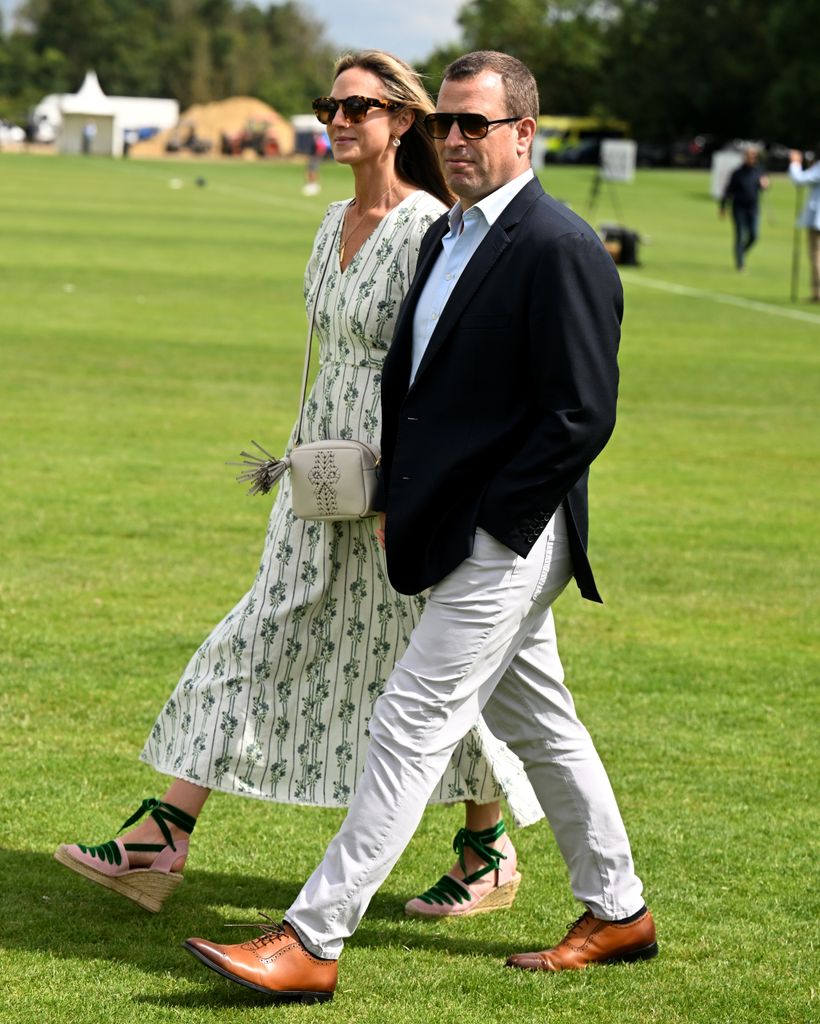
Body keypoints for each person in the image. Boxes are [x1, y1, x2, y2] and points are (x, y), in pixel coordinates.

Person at [183, 50, 656, 1003]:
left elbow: (580, 415)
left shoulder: (560, 245)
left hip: (511, 536)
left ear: (525, 133)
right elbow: (413, 386)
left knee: (409, 720)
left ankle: (314, 937)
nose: (457, 141)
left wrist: (497, 525)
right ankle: (619, 910)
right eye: (447, 124)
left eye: (476, 125)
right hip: (449, 525)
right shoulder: (448, 237)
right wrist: (402, 500)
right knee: (544, 725)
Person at [54, 51, 544, 916]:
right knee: (254, 636)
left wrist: (410, 491)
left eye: (359, 105)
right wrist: (296, 461)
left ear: (401, 119)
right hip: (315, 479)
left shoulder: (432, 229)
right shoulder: (328, 223)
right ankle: (162, 834)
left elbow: (437, 368)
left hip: (394, 489)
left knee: (427, 668)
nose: (340, 120)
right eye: (330, 106)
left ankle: (487, 846)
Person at [719, 145, 769, 271]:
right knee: (740, 235)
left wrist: (765, 185)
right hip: (738, 208)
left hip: (753, 208)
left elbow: (763, 186)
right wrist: (723, 207)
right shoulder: (737, 172)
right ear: (745, 157)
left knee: (754, 236)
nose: (753, 158)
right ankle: (740, 263)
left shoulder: (759, 171)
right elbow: (728, 191)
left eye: (754, 156)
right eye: (750, 155)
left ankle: (741, 253)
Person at [789, 146, 820, 302]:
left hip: (817, 219)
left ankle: (818, 293)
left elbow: (799, 179)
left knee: (816, 255)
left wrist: (795, 163)